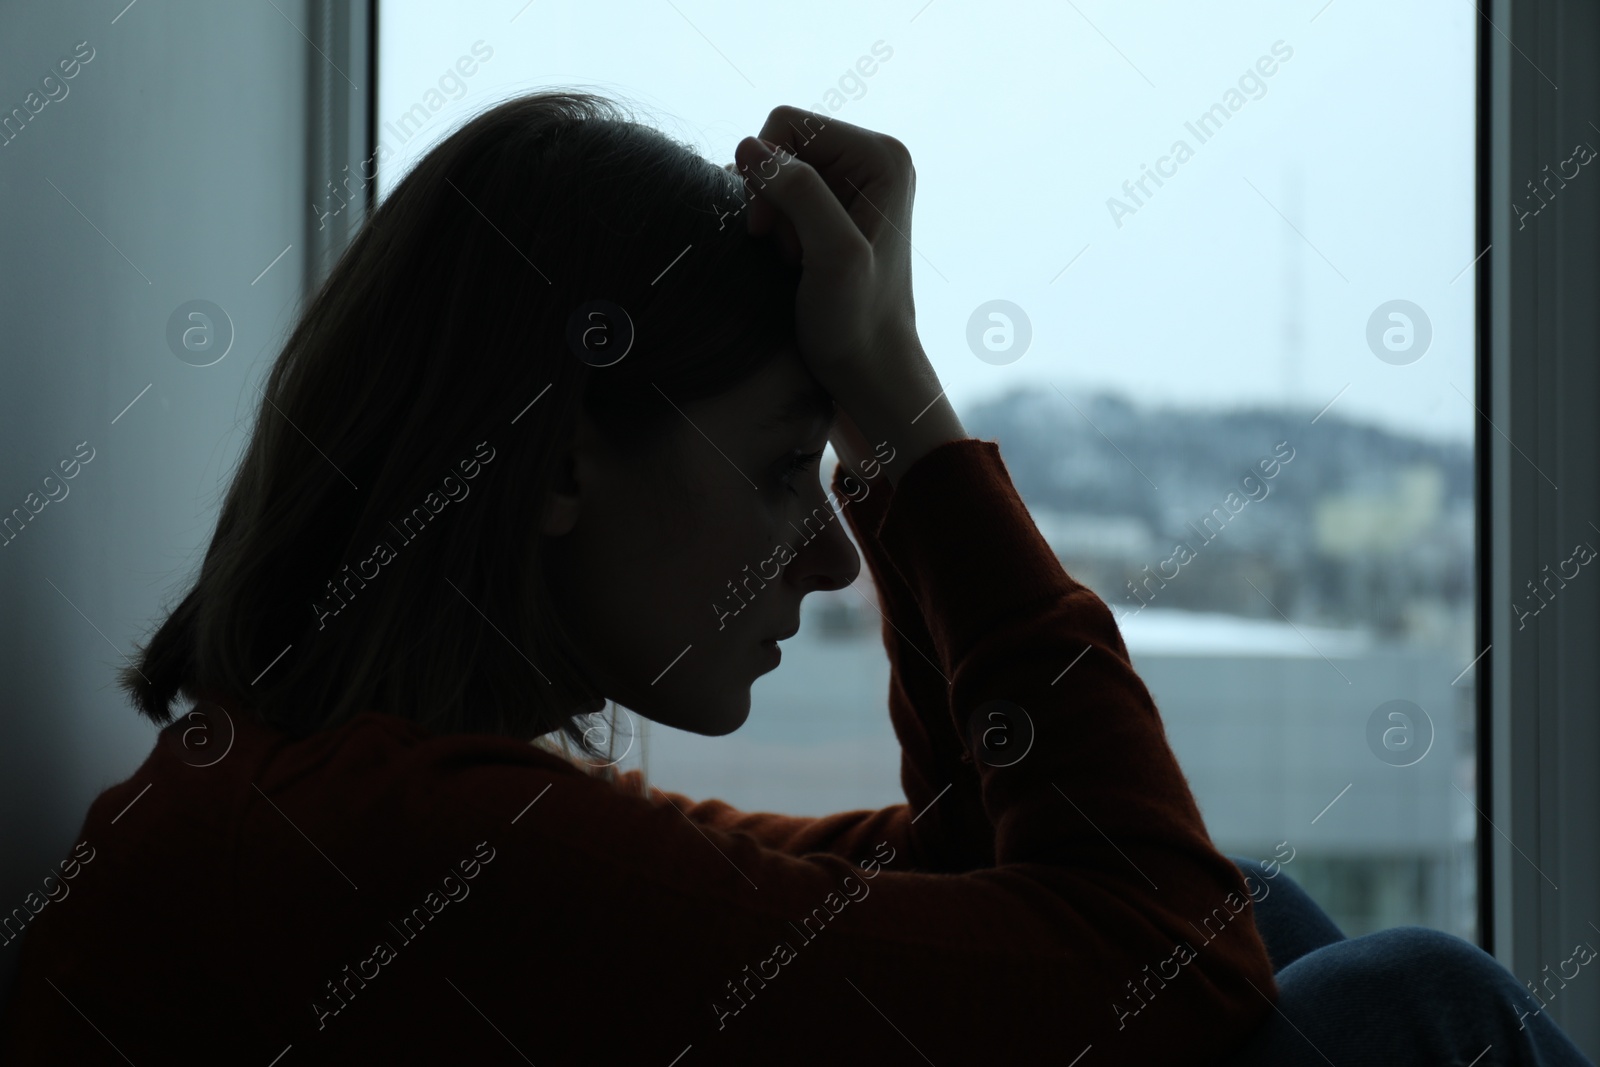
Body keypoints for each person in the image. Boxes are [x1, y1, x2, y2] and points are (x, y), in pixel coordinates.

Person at [0, 92, 1588, 1066]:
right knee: (1414, 1009)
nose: (829, 557)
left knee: (1272, 911)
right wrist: (896, 404)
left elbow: (1006, 895)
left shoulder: (328, 808)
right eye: (780, 469)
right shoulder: (407, 859)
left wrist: (896, 455)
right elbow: (1145, 964)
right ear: (560, 465)